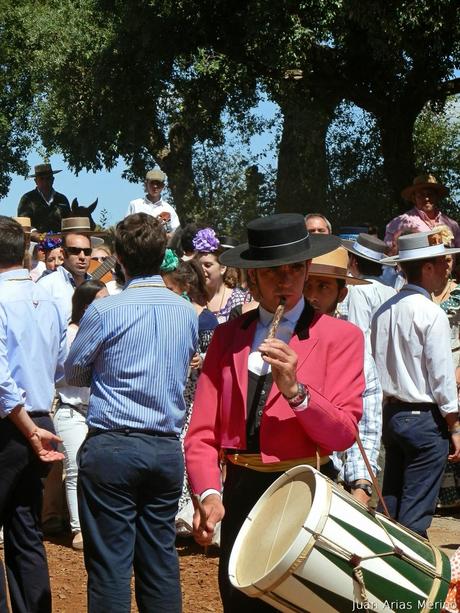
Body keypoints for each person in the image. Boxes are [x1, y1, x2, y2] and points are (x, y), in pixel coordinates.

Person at [184, 213, 365, 612]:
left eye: (294, 270)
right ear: (252, 279)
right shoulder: (227, 337)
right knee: (242, 600)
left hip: (308, 491)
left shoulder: (342, 337)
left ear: (305, 269)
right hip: (242, 492)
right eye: (272, 273)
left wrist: (298, 393)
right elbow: (201, 434)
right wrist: (210, 493)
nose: (286, 281)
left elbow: (342, 435)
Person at [65, 213, 198, 613]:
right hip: (164, 448)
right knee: (160, 563)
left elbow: (74, 371)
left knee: (109, 568)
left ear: (119, 257)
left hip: (113, 447)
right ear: (163, 256)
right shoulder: (185, 312)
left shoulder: (105, 311)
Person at [371, 230, 460, 537]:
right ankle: (410, 571)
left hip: (392, 417)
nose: (447, 269)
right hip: (424, 421)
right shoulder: (431, 314)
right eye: (441, 262)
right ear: (427, 267)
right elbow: (442, 379)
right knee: (414, 514)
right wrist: (455, 426)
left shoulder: (382, 312)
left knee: (391, 502)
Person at [0, 216, 66, 613]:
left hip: (13, 426)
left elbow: (0, 380)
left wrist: (25, 428)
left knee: (25, 528)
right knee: (25, 530)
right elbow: (59, 366)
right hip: (40, 419)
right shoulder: (52, 300)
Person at [304, 246, 382, 507]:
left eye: (323, 287)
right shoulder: (277, 339)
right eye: (307, 285)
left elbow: (367, 424)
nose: (312, 296)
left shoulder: (354, 347)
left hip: (330, 482)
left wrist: (361, 485)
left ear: (342, 293)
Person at [160, 251, 219, 535]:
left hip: (197, 392)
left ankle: (190, 512)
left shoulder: (207, 320)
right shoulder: (173, 314)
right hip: (176, 390)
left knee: (190, 447)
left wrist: (203, 359)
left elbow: (218, 357)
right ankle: (177, 513)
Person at [54, 280, 108, 551]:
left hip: (99, 412)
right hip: (72, 410)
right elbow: (61, 374)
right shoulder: (70, 333)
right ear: (86, 305)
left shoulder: (108, 331)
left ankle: (97, 526)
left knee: (101, 471)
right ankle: (79, 529)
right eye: (102, 299)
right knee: (75, 469)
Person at [340, 233, 396, 341]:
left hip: (366, 355)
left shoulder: (360, 289)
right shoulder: (391, 289)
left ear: (354, 262)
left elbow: (357, 331)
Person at [38, 218, 93, 321]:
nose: (82, 256)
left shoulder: (97, 287)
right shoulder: (46, 286)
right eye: (75, 251)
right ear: (63, 253)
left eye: (87, 251)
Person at [385, 174, 460, 248]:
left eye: (430, 194)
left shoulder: (452, 225)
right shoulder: (400, 223)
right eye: (421, 195)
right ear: (414, 198)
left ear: (436, 196)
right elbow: (388, 254)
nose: (426, 198)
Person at [193, 227, 247, 323]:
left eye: (207, 265)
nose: (201, 270)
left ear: (222, 268)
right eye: (198, 265)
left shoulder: (239, 299)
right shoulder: (192, 298)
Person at [17, 163, 70, 233]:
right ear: (35, 181)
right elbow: (23, 223)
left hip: (61, 241)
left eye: (48, 178)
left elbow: (68, 223)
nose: (45, 182)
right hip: (34, 242)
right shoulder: (27, 198)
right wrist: (37, 235)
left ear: (53, 180)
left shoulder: (62, 199)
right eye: (41, 179)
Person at [125, 169, 180, 233]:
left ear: (163, 186)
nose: (155, 186)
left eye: (158, 183)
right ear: (146, 184)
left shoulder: (169, 209)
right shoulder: (134, 205)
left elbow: (176, 233)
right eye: (152, 183)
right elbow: (125, 229)